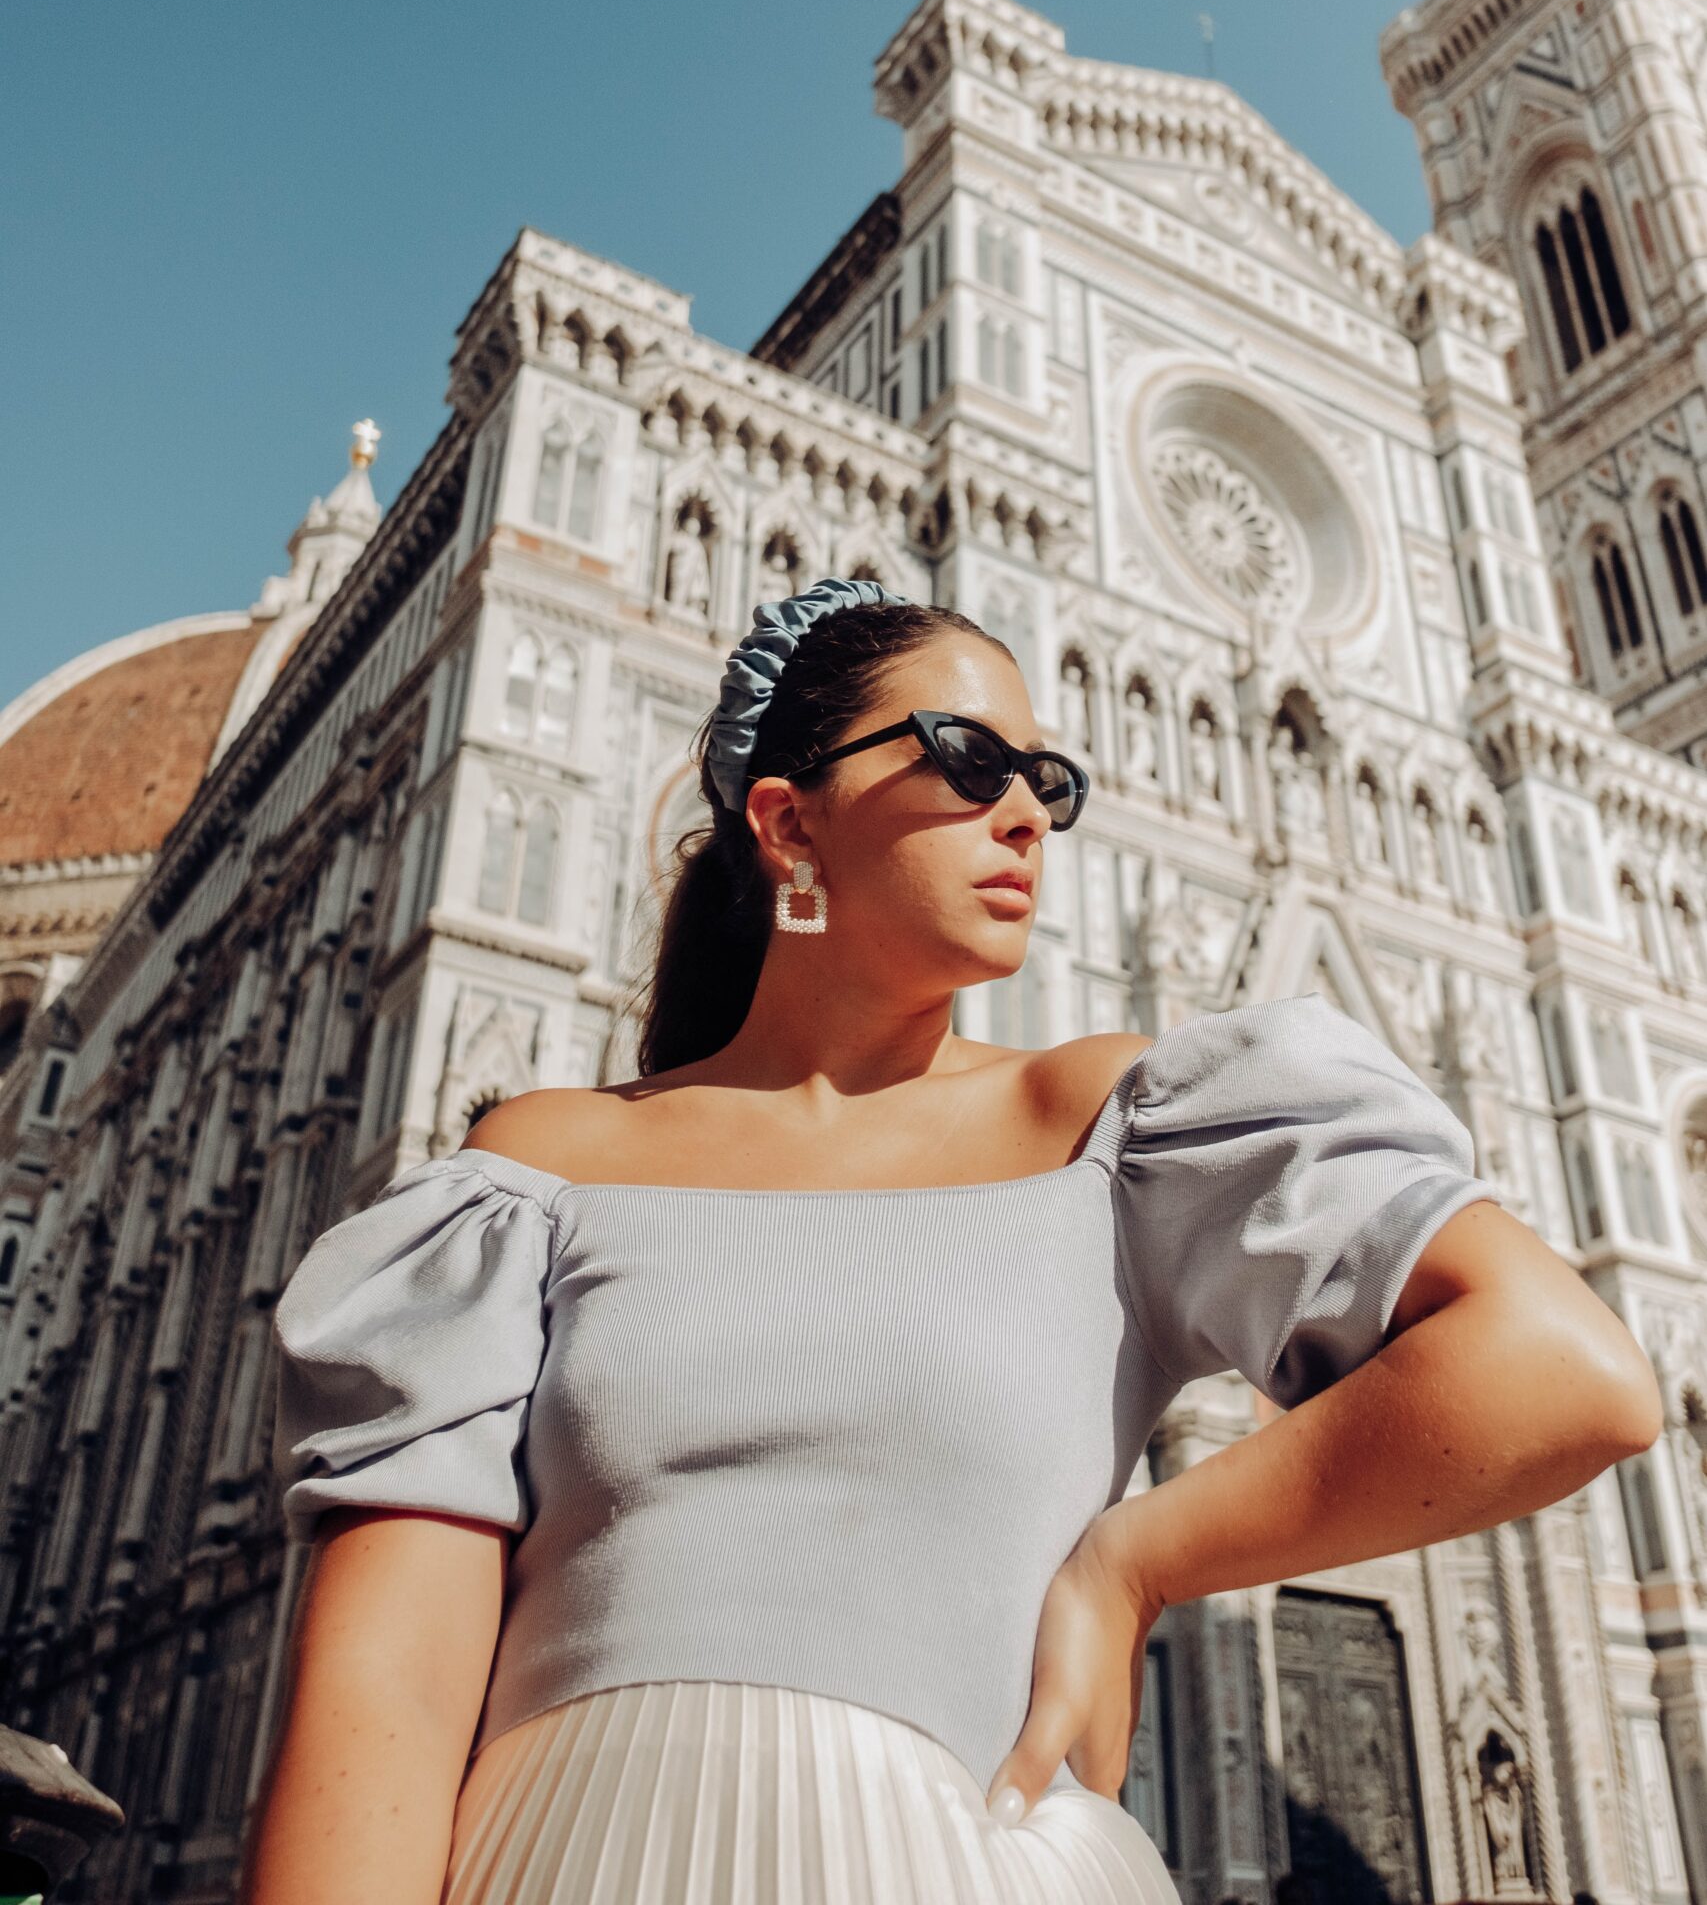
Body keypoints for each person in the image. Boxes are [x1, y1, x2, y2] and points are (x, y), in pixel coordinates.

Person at [243, 578, 1664, 1905]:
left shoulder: (1113, 1132)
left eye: (1049, 780)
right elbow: (391, 1688)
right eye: (969, 761)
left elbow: (1564, 1372)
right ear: (789, 824)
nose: (1028, 815)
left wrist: (1138, 1559)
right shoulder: (538, 1171)